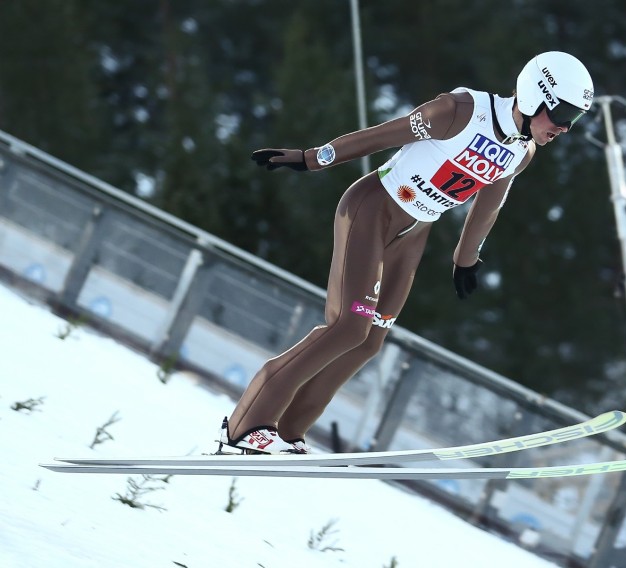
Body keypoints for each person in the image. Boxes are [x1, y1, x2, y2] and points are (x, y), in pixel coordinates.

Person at [216, 51, 595, 454]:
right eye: (563, 113)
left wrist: (466, 259)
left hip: (414, 233)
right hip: (373, 211)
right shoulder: (460, 110)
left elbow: (490, 203)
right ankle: (247, 424)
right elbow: (384, 134)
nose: (566, 128)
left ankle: (290, 431)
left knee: (369, 340)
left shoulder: (522, 152)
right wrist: (314, 158)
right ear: (536, 96)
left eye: (576, 119)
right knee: (349, 326)